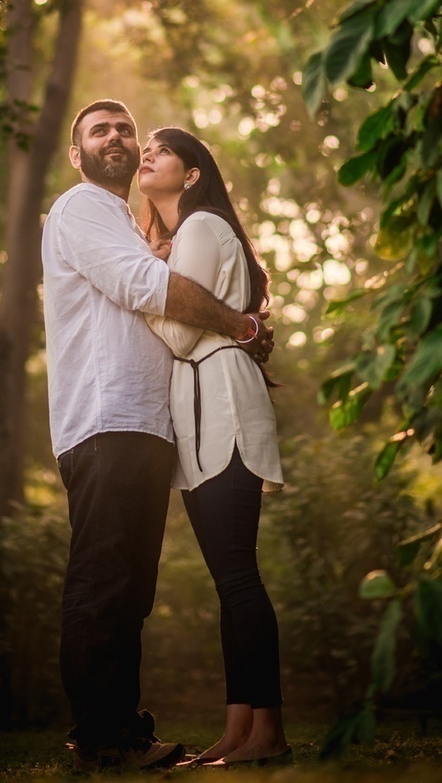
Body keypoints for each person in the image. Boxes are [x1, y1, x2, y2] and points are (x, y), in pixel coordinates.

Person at [41, 100, 274, 774]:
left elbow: (147, 273)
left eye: (125, 130)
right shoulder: (82, 207)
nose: (117, 139)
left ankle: (122, 727)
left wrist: (162, 256)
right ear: (77, 153)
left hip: (146, 426)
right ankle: (101, 734)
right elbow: (143, 286)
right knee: (103, 579)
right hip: (106, 419)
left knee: (131, 590)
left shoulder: (121, 223)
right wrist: (241, 324)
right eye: (99, 131)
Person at [137, 126, 290, 768]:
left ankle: (270, 735)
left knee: (238, 576)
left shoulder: (201, 228)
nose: (148, 153)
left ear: (193, 173)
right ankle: (238, 732)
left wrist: (146, 277)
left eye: (163, 149)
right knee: (230, 581)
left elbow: (174, 335)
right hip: (202, 406)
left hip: (220, 401)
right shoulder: (188, 236)